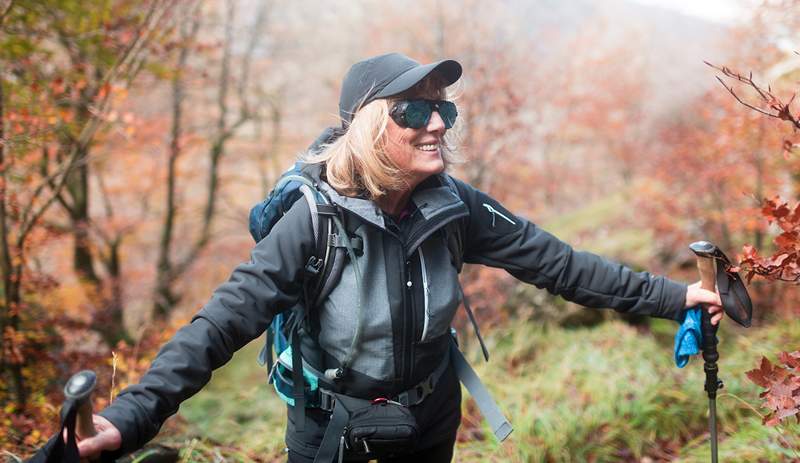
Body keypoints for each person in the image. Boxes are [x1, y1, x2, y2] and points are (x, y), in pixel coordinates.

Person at [76, 52, 723, 462]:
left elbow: (558, 263)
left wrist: (676, 297)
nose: (438, 122)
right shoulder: (313, 218)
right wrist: (127, 419)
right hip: (330, 428)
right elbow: (218, 326)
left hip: (431, 414)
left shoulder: (454, 205)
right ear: (368, 125)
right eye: (417, 108)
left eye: (445, 108)